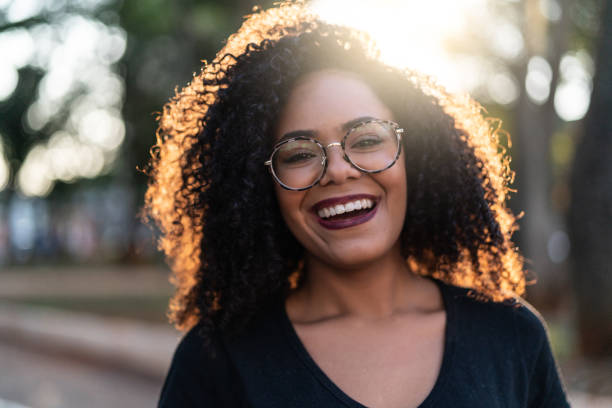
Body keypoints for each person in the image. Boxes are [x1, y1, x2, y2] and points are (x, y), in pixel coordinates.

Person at [145, 2, 571, 407]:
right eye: (299, 154)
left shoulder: (511, 336)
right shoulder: (217, 362)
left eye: (366, 140)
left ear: (416, 156)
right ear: (259, 187)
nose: (337, 170)